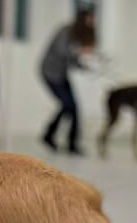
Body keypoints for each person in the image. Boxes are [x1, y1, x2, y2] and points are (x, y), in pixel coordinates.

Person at [39, 9, 96, 155]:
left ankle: (71, 144)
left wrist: (83, 66)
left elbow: (71, 59)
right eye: (90, 19)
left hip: (61, 75)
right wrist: (80, 52)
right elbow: (61, 51)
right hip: (50, 73)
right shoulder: (66, 31)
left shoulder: (77, 35)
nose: (92, 23)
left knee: (74, 108)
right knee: (67, 105)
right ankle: (49, 135)